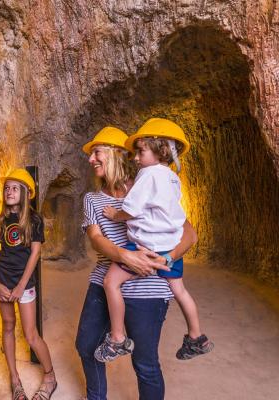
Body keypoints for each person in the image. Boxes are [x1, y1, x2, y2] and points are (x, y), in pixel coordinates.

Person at [75, 126, 198, 400]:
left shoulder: (151, 184)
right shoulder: (92, 199)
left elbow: (189, 233)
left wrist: (165, 258)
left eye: (97, 152)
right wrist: (125, 256)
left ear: (116, 154)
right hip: (108, 277)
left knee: (145, 363)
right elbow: (96, 237)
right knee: (86, 346)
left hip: (150, 285)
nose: (90, 159)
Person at [96, 118, 213, 363]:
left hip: (146, 247)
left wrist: (114, 214)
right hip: (170, 248)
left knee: (110, 282)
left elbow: (132, 208)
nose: (136, 158)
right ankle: (196, 336)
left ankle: (117, 338)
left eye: (140, 151)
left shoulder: (147, 175)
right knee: (179, 290)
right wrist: (170, 255)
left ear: (159, 150)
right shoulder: (172, 178)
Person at [0, 168, 57, 400]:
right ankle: (15, 379)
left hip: (23, 285)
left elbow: (34, 255)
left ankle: (50, 376)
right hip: (3, 284)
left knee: (30, 334)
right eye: (7, 187)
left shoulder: (34, 220)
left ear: (26, 193)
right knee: (8, 326)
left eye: (15, 188)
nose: (9, 191)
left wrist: (20, 286)